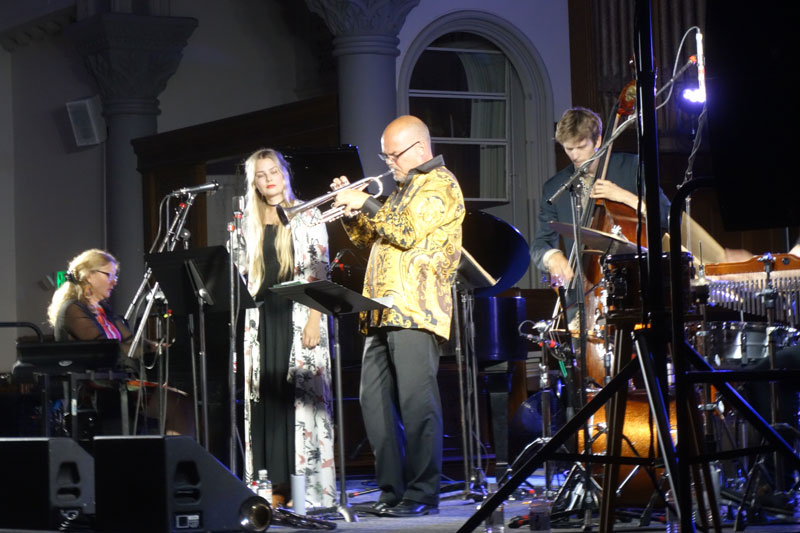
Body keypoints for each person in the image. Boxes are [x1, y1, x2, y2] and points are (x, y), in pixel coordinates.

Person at [331, 115, 465, 517]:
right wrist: (351, 208)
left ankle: (423, 493)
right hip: (380, 310)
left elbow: (405, 233)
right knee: (373, 402)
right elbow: (368, 237)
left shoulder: (441, 183)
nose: (389, 162)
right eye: (385, 154)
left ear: (420, 149)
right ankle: (392, 491)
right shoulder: (404, 189)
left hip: (415, 308)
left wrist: (368, 202)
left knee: (416, 404)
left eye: (395, 154)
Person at [234, 148, 336, 509]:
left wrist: (314, 318)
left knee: (299, 404)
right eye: (260, 175)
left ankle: (304, 490)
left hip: (298, 315)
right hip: (261, 320)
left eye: (273, 171)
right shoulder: (247, 219)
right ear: (255, 183)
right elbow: (238, 275)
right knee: (266, 403)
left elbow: (320, 271)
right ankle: (271, 486)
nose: (268, 179)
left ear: (284, 173)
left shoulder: (307, 214)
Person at [47, 248, 193, 436]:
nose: (114, 281)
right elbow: (104, 348)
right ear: (89, 276)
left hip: (119, 382)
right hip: (98, 388)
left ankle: (178, 459)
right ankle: (177, 462)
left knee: (185, 402)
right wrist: (149, 349)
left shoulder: (105, 311)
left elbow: (131, 342)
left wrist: (161, 348)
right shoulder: (72, 309)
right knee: (178, 404)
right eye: (109, 275)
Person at [531, 107, 670, 287]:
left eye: (581, 147)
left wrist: (626, 197)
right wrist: (552, 257)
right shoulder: (554, 187)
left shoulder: (631, 167)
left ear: (597, 140)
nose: (574, 156)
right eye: (568, 148)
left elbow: (667, 216)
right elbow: (539, 244)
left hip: (635, 284)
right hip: (583, 289)